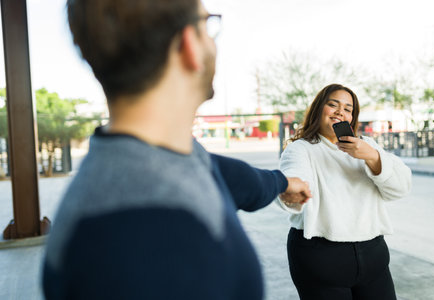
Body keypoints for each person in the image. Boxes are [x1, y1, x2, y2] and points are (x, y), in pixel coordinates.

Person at [42, 0, 312, 299]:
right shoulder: (153, 235)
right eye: (207, 23)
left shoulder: (156, 155)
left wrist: (283, 183)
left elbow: (234, 178)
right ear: (189, 45)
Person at [277, 83, 412, 300]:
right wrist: (292, 190)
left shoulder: (366, 145)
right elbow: (295, 179)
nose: (341, 111)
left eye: (348, 109)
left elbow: (401, 187)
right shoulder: (301, 148)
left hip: (373, 254)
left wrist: (373, 157)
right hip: (321, 256)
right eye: (333, 105)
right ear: (318, 109)